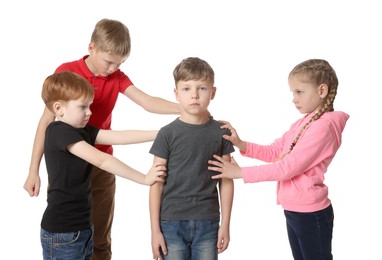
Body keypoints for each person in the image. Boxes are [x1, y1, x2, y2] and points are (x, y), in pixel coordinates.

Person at [23, 18, 180, 259]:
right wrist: (33, 170)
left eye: (120, 63)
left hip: (102, 157)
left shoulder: (116, 78)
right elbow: (46, 121)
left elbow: (146, 103)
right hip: (70, 161)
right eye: (109, 61)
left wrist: (184, 109)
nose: (112, 68)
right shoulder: (67, 74)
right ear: (92, 48)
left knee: (98, 236)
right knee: (70, 230)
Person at [208, 59, 349, 260]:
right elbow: (276, 151)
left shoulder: (323, 127)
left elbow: (287, 168)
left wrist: (240, 173)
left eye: (299, 92)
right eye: (293, 93)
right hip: (295, 209)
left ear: (322, 90)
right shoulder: (305, 122)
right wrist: (241, 144)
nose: (294, 98)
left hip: (311, 213)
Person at [39, 71, 167, 260]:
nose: (89, 112)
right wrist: (144, 178)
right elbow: (102, 160)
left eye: (89, 106)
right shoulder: (58, 132)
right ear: (59, 109)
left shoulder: (82, 130)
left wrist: (161, 133)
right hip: (63, 233)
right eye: (83, 107)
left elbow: (118, 136)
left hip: (83, 227)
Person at [149, 57, 234, 260]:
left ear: (213, 92)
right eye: (186, 88)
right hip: (171, 222)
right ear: (176, 93)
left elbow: (227, 180)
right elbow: (156, 184)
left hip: (208, 221)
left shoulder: (221, 132)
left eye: (202, 88)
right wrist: (155, 231)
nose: (194, 95)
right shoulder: (167, 133)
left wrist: (226, 225)